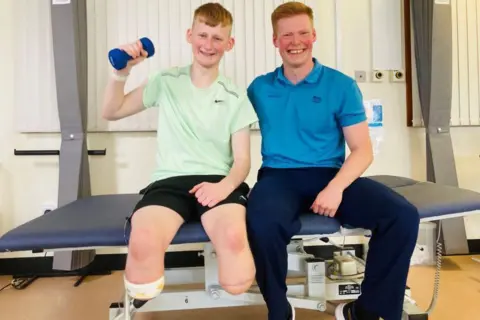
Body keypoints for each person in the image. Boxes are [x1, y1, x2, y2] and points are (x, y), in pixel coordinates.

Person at [246, 2, 420, 320]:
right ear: (275, 40)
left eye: (302, 33)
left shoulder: (340, 86)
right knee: (262, 221)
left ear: (314, 35)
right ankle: (278, 308)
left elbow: (362, 149)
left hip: (329, 174)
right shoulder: (259, 89)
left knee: (402, 216)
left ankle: (369, 310)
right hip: (278, 176)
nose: (295, 41)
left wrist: (336, 188)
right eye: (286, 35)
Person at [101, 2, 258, 307]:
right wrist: (121, 73)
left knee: (236, 258)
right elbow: (112, 111)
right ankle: (144, 292)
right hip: (169, 181)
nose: (208, 45)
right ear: (190, 35)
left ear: (230, 43)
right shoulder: (166, 81)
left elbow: (242, 161)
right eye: (203, 35)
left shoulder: (236, 96)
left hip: (217, 182)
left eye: (217, 38)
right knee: (143, 244)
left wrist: (224, 187)